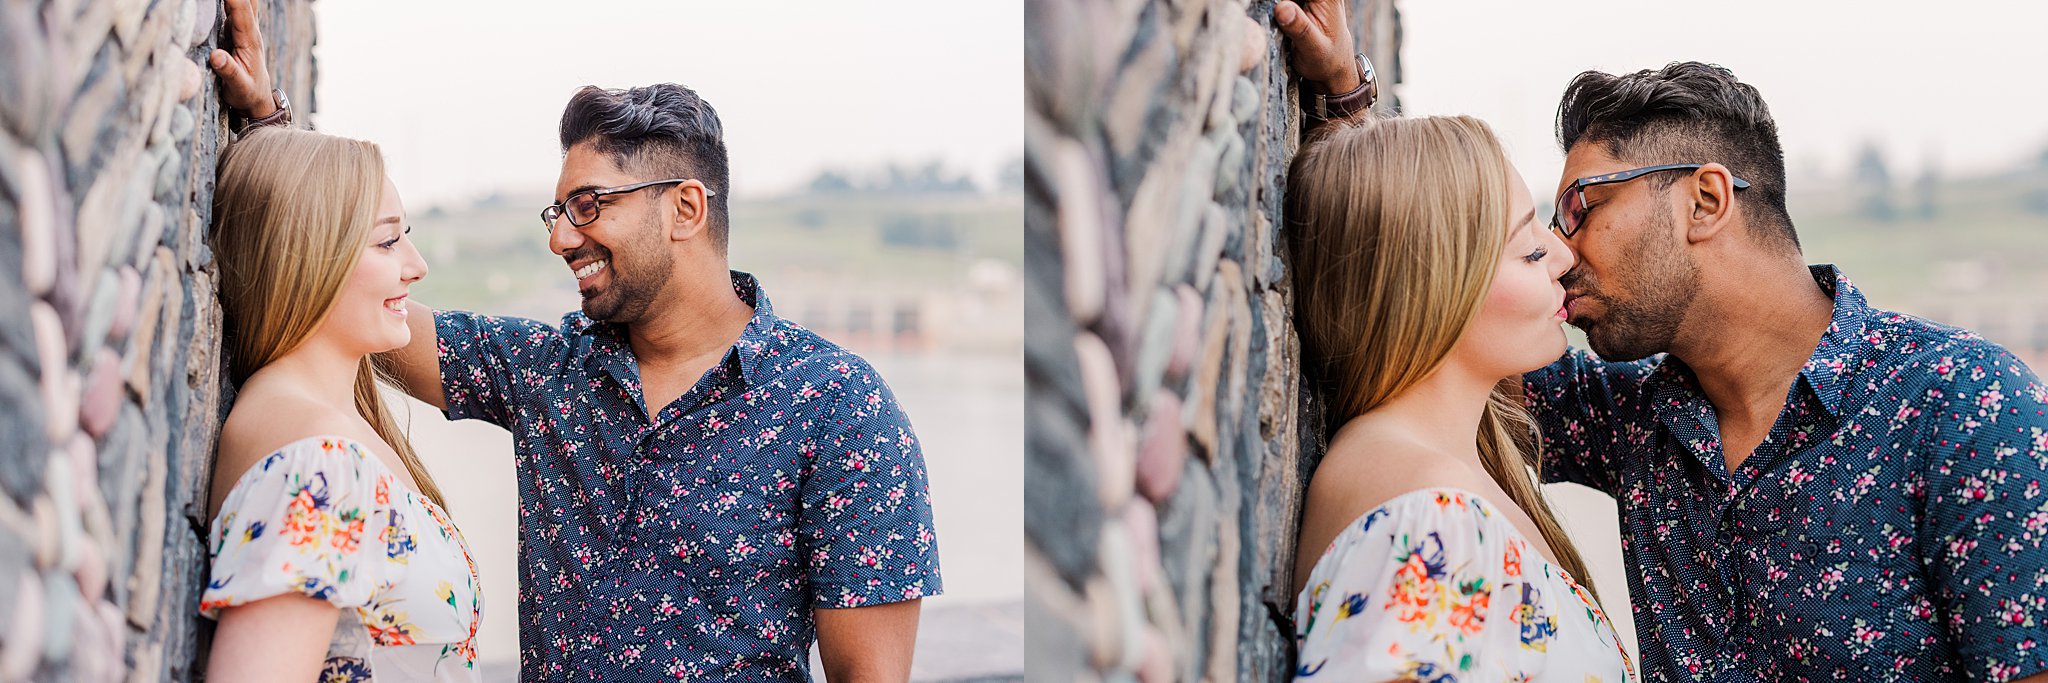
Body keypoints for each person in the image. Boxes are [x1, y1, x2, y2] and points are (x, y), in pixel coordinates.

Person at [1280, 1, 2048, 681]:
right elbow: (1433, 297)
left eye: (1581, 206)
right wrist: (1350, 103)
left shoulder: (1964, 405)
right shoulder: (1630, 416)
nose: (1563, 249)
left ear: (1706, 199)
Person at [209, 0, 942, 679]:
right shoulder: (547, 369)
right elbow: (345, 296)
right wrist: (275, 135)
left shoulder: (841, 409)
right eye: (556, 210)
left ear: (686, 207)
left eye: (588, 205)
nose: (561, 236)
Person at [1282, 109, 1636, 680]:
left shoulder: (1457, 469)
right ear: (1437, 288)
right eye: (1531, 252)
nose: (1566, 258)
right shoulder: (1425, 521)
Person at [201, 126, 483, 682]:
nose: (416, 265)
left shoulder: (341, 421)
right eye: (387, 242)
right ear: (307, 255)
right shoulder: (316, 461)